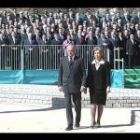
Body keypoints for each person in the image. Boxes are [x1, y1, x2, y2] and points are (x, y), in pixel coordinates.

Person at [58, 43, 86, 131]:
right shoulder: (63, 59)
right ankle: (69, 124)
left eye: (72, 50)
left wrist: (83, 85)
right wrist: (60, 84)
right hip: (66, 85)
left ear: (75, 51)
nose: (70, 52)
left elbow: (84, 74)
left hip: (76, 86)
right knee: (68, 104)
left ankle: (77, 121)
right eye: (69, 51)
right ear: (66, 51)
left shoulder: (80, 60)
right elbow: (60, 73)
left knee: (77, 105)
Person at [85, 46, 111, 128]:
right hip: (93, 87)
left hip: (102, 87)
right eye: (95, 53)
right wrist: (85, 86)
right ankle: (92, 121)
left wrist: (108, 86)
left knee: (100, 104)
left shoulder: (106, 63)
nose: (97, 55)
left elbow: (108, 76)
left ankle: (98, 121)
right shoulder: (90, 63)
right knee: (93, 104)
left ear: (101, 54)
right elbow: (89, 76)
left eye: (98, 53)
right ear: (93, 54)